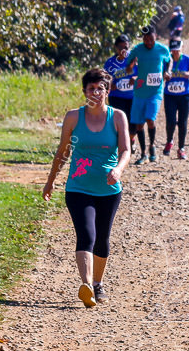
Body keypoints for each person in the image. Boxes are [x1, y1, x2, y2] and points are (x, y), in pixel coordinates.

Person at [42, 68, 131, 308]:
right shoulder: (73, 117)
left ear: (107, 91)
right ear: (84, 92)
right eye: (91, 88)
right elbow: (63, 152)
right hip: (78, 188)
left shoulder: (117, 117)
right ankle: (87, 285)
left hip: (109, 190)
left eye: (100, 88)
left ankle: (98, 283)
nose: (95, 92)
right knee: (86, 235)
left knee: (102, 239)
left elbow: (125, 150)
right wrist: (51, 182)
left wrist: (118, 170)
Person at [124, 25, 172, 164]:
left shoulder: (162, 49)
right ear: (143, 39)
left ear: (155, 37)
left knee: (150, 119)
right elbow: (128, 69)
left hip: (155, 91)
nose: (149, 42)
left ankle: (152, 146)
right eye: (146, 40)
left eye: (151, 39)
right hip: (139, 91)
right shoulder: (137, 49)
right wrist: (130, 67)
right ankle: (143, 153)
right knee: (139, 125)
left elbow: (169, 60)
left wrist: (167, 72)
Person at [104, 34, 145, 159]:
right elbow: (105, 79)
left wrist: (136, 78)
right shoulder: (110, 63)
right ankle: (119, 149)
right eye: (121, 47)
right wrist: (111, 84)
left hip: (133, 96)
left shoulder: (136, 61)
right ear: (116, 48)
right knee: (119, 123)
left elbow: (144, 75)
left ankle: (131, 139)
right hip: (117, 96)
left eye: (126, 47)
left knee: (133, 125)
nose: (123, 50)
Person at [162, 38, 189, 160]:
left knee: (182, 122)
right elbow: (160, 76)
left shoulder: (187, 60)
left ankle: (181, 148)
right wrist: (164, 75)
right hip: (170, 95)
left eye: (178, 50)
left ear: (181, 49)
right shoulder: (167, 61)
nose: (175, 53)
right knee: (171, 121)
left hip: (184, 96)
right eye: (173, 51)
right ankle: (169, 141)